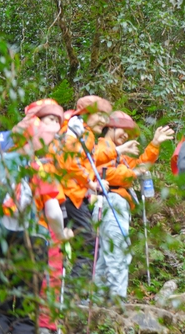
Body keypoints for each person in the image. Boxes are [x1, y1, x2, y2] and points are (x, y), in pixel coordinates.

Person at [0, 100, 74, 334]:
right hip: (31, 238)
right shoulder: (39, 168)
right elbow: (53, 212)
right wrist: (61, 234)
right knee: (26, 309)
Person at [92, 112, 173, 299]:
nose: (126, 135)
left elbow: (140, 166)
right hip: (110, 201)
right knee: (118, 252)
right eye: (123, 130)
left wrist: (154, 144)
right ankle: (116, 301)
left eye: (129, 133)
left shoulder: (117, 154)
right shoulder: (102, 148)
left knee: (106, 255)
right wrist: (131, 174)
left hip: (112, 203)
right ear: (110, 127)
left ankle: (97, 301)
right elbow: (103, 172)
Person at [58, 95, 125, 286]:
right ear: (86, 113)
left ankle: (71, 293)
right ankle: (73, 294)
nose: (103, 121)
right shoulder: (77, 131)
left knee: (84, 245)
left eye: (105, 116)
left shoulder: (82, 132)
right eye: (99, 115)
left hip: (73, 195)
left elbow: (92, 158)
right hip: (71, 195)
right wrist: (90, 183)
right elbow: (70, 161)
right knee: (88, 245)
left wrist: (118, 151)